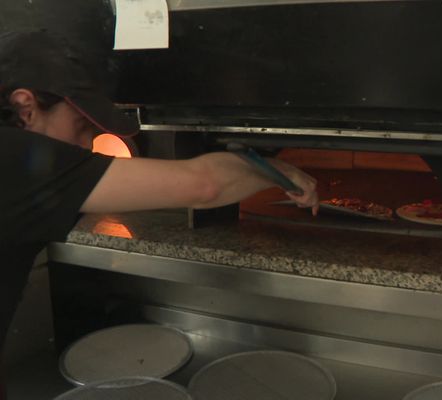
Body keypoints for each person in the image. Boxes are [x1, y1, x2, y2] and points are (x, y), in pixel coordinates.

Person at [0, 30, 318, 398]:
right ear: (26, 106)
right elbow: (204, 185)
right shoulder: (16, 159)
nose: (88, 144)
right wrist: (279, 170)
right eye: (82, 126)